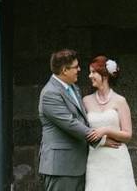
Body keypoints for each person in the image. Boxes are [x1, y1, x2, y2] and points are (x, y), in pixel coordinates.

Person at [38, 49, 109, 191]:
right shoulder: (50, 93)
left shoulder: (73, 88)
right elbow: (70, 123)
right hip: (61, 167)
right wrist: (102, 140)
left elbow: (82, 119)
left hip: (77, 164)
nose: (79, 70)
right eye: (76, 67)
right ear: (64, 70)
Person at [82, 55, 137, 191]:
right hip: (95, 159)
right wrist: (101, 139)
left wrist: (106, 130)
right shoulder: (86, 101)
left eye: (93, 72)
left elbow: (127, 134)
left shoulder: (120, 101)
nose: (90, 76)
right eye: (90, 72)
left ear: (105, 76)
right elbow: (81, 131)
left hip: (117, 158)